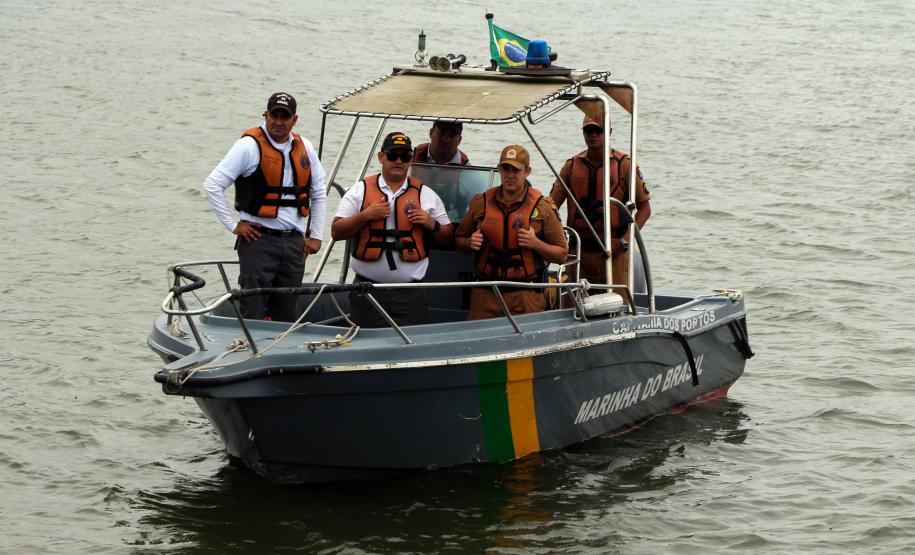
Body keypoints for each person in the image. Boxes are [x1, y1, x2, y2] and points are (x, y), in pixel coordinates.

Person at [203, 92, 327, 322]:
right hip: (258, 241)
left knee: (287, 311)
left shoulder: (305, 148)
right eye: (274, 115)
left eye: (285, 116)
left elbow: (319, 192)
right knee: (253, 308)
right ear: (265, 115)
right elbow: (212, 185)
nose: (278, 121)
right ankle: (250, 352)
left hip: (294, 244)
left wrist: (316, 236)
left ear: (294, 120)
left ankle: (281, 354)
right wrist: (233, 225)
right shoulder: (248, 146)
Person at [331, 132, 454, 328]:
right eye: (392, 155)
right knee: (366, 347)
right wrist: (365, 215)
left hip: (411, 295)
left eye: (404, 156)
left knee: (412, 347)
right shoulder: (359, 191)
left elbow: (449, 236)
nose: (398, 161)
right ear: (381, 157)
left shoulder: (426, 195)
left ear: (411, 160)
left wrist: (432, 224)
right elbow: (336, 231)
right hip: (367, 290)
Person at [455, 145, 568, 320]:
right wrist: (469, 243)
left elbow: (561, 254)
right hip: (485, 294)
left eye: (516, 170)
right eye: (506, 168)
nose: (510, 175)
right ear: (499, 169)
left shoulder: (543, 207)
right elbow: (459, 240)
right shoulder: (480, 202)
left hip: (526, 295)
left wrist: (536, 243)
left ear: (527, 171)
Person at [549, 111, 652, 286]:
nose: (593, 135)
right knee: (572, 305)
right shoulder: (571, 166)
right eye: (588, 131)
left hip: (613, 252)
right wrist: (556, 239)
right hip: (578, 251)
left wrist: (625, 241)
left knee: (616, 304)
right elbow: (550, 206)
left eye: (598, 130)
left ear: (609, 131)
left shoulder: (625, 166)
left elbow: (645, 209)